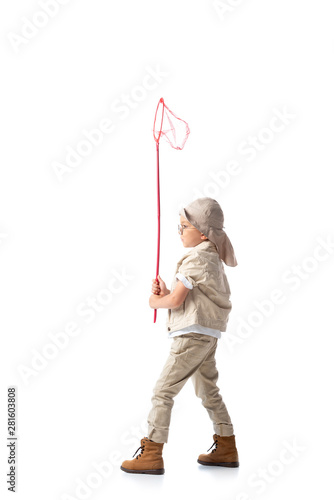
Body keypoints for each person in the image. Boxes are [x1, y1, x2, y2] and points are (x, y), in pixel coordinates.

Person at [120, 197, 239, 475]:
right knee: (208, 391)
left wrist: (154, 301)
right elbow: (188, 297)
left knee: (163, 391)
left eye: (184, 226)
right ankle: (226, 446)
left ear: (202, 232)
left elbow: (175, 301)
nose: (179, 231)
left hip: (192, 336)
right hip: (208, 336)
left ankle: (151, 452)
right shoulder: (211, 258)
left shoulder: (195, 258)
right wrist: (166, 292)